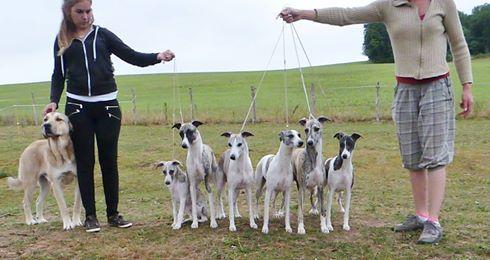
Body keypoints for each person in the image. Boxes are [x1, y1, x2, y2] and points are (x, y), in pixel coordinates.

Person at [279, 0, 473, 244]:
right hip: (405, 89)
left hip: (437, 86)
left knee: (435, 157)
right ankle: (421, 215)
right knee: (412, 157)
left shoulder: (444, 3)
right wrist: (304, 14)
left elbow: (459, 43)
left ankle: (433, 221)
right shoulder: (388, 5)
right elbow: (346, 15)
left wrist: (467, 85)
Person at [43, 0, 175, 233]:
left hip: (108, 109)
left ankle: (113, 214)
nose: (85, 16)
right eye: (80, 12)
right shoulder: (62, 40)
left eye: (89, 11)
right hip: (77, 108)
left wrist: (158, 56)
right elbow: (58, 75)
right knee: (85, 162)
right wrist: (54, 100)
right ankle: (90, 217)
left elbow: (131, 55)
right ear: (69, 12)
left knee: (109, 161)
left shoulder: (103, 36)